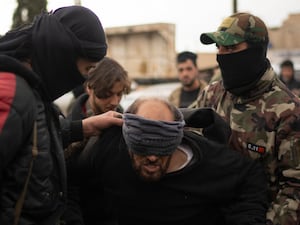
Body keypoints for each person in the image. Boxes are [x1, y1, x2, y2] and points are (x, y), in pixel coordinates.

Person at [0, 6, 123, 225]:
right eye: (87, 70)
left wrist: (82, 128)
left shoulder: (33, 91)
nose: (84, 79)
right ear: (61, 54)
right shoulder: (11, 92)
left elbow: (31, 138)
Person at [63, 97, 268, 225]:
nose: (152, 157)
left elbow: (251, 178)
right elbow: (69, 179)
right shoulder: (108, 149)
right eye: (143, 149)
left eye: (161, 150)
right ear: (127, 141)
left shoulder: (211, 161)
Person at [195, 12, 300, 225]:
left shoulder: (288, 111)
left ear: (256, 50)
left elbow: (294, 189)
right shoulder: (212, 94)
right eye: (219, 48)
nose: (222, 55)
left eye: (231, 48)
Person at [65, 56, 131, 159]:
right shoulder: (66, 124)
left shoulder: (126, 122)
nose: (114, 102)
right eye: (106, 94)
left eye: (119, 94)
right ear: (89, 88)